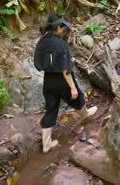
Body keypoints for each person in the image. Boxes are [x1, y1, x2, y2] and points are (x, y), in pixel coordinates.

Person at [33, 14, 97, 152]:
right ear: (58, 27)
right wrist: (73, 87)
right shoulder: (61, 44)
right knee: (77, 96)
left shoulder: (42, 41)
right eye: (64, 28)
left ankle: (46, 144)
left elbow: (37, 63)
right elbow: (66, 70)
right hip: (63, 80)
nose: (65, 30)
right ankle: (85, 114)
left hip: (48, 80)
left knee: (51, 109)